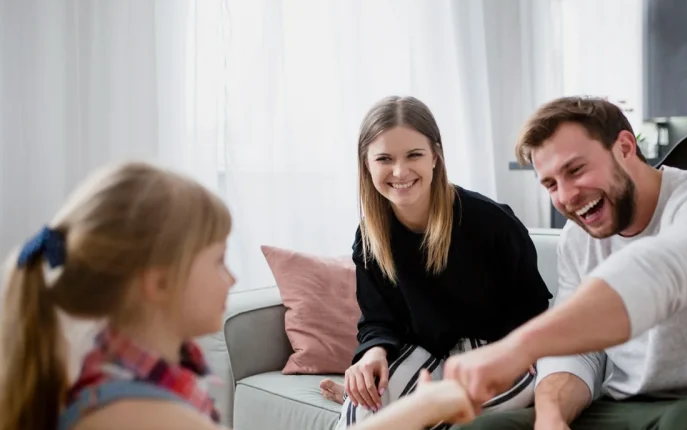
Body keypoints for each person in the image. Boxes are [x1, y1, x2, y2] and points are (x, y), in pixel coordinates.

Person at [0, 161, 487, 430]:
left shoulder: (124, 367)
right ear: (158, 281)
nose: (233, 280)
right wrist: (420, 411)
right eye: (216, 260)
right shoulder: (136, 413)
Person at [441, 96, 687, 430]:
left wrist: (518, 347)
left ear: (625, 147)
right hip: (626, 407)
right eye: (551, 184)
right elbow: (577, 353)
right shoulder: (578, 239)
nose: (567, 196)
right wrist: (551, 417)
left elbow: (662, 273)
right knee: (484, 429)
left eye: (576, 170)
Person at [319, 95, 552, 430]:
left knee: (435, 418)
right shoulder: (370, 237)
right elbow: (377, 320)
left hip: (499, 352)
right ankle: (354, 399)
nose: (400, 171)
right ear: (366, 165)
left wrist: (522, 350)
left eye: (414, 155)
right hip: (424, 352)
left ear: (435, 157)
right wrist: (372, 354)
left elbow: (532, 304)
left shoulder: (491, 220)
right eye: (384, 158)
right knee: (360, 412)